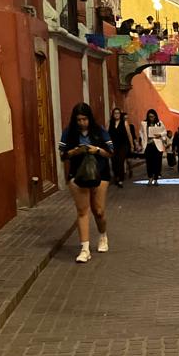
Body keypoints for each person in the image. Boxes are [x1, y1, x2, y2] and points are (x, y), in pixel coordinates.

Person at [59, 102, 113, 263]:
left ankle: (103, 235)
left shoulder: (99, 131)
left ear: (90, 118)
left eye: (84, 119)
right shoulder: (69, 132)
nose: (82, 122)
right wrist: (76, 151)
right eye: (79, 120)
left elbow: (110, 152)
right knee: (82, 210)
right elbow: (63, 155)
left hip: (100, 172)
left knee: (98, 210)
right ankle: (85, 249)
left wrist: (96, 150)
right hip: (78, 174)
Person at [139, 109, 167, 185]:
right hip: (148, 145)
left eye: (153, 117)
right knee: (149, 163)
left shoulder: (159, 123)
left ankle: (156, 179)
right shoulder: (144, 123)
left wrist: (160, 135)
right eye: (150, 117)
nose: (151, 118)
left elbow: (165, 131)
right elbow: (141, 132)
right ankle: (150, 178)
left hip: (157, 145)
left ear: (155, 116)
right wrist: (143, 139)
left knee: (157, 163)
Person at [108, 106, 134, 187]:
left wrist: (132, 145)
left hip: (123, 145)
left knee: (120, 161)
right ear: (113, 114)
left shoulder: (124, 123)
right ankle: (116, 176)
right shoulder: (109, 123)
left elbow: (129, 135)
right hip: (113, 146)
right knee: (114, 162)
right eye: (115, 113)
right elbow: (106, 134)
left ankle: (120, 179)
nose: (116, 114)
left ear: (120, 114)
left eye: (118, 113)